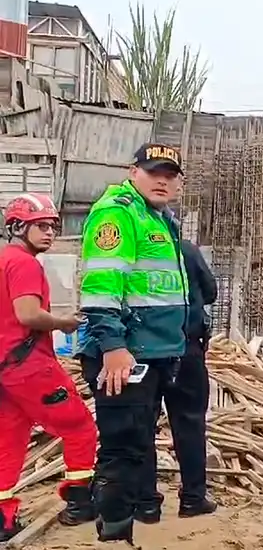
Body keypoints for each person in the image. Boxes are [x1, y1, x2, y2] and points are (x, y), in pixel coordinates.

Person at [78, 143, 189, 543]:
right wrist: (112, 345)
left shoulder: (160, 220)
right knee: (122, 452)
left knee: (137, 447)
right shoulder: (118, 213)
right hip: (126, 355)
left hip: (154, 353)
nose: (163, 179)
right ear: (133, 171)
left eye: (170, 174)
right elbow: (101, 286)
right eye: (154, 171)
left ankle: (117, 530)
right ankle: (113, 536)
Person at [0, 193, 98, 541]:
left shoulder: (3, 260)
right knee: (80, 427)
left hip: (6, 370)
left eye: (53, 226)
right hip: (30, 368)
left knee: (9, 441)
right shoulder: (24, 263)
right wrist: (64, 323)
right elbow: (28, 315)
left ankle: (3, 519)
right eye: (41, 226)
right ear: (16, 227)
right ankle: (79, 500)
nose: (50, 233)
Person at [134, 238, 217, 523]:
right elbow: (211, 292)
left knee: (142, 425)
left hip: (143, 351)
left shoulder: (127, 251)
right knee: (190, 423)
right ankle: (193, 498)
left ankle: (146, 504)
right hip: (185, 348)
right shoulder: (185, 249)